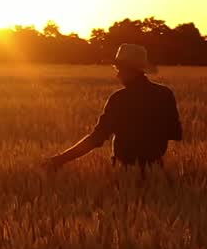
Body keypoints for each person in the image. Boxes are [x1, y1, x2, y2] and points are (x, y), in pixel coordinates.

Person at [41, 44, 182, 173]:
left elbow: (97, 138)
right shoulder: (165, 94)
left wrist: (59, 160)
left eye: (119, 69)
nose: (117, 75)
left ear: (129, 70)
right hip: (156, 169)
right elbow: (174, 133)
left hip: (124, 171)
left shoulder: (119, 99)